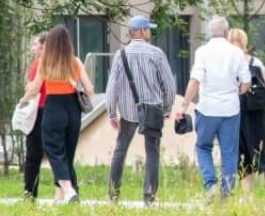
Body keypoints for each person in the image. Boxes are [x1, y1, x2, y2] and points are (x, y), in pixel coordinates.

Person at [173, 16, 251, 201]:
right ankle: (227, 193)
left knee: (202, 147)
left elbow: (195, 81)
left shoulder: (202, 52)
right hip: (230, 111)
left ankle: (211, 185)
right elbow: (246, 82)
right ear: (226, 32)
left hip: (207, 109)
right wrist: (235, 93)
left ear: (210, 33)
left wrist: (183, 106)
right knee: (229, 152)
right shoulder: (236, 52)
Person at [105, 14, 177, 205]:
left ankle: (113, 195)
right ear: (143, 31)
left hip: (128, 111)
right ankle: (149, 196)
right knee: (152, 152)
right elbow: (169, 85)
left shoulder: (120, 55)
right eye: (149, 29)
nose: (150, 32)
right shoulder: (156, 54)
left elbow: (112, 85)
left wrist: (112, 112)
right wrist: (166, 107)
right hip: (152, 110)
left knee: (120, 150)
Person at [23, 25, 90, 204]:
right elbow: (90, 89)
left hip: (53, 107)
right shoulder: (75, 62)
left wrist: (23, 99)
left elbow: (35, 88)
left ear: (50, 43)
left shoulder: (45, 62)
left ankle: (68, 191)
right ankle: (64, 197)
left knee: (54, 150)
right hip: (73, 109)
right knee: (68, 153)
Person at [229, 27, 265, 194]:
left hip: (235, 113)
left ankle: (246, 195)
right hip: (256, 114)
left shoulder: (227, 62)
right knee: (259, 152)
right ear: (245, 42)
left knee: (242, 155)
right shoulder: (255, 63)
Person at [21, 32, 47, 200]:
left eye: (36, 44)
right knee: (58, 155)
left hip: (38, 111)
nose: (33, 48)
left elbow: (31, 88)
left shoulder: (39, 64)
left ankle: (30, 192)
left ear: (44, 47)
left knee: (32, 156)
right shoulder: (61, 62)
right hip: (55, 110)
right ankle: (66, 190)